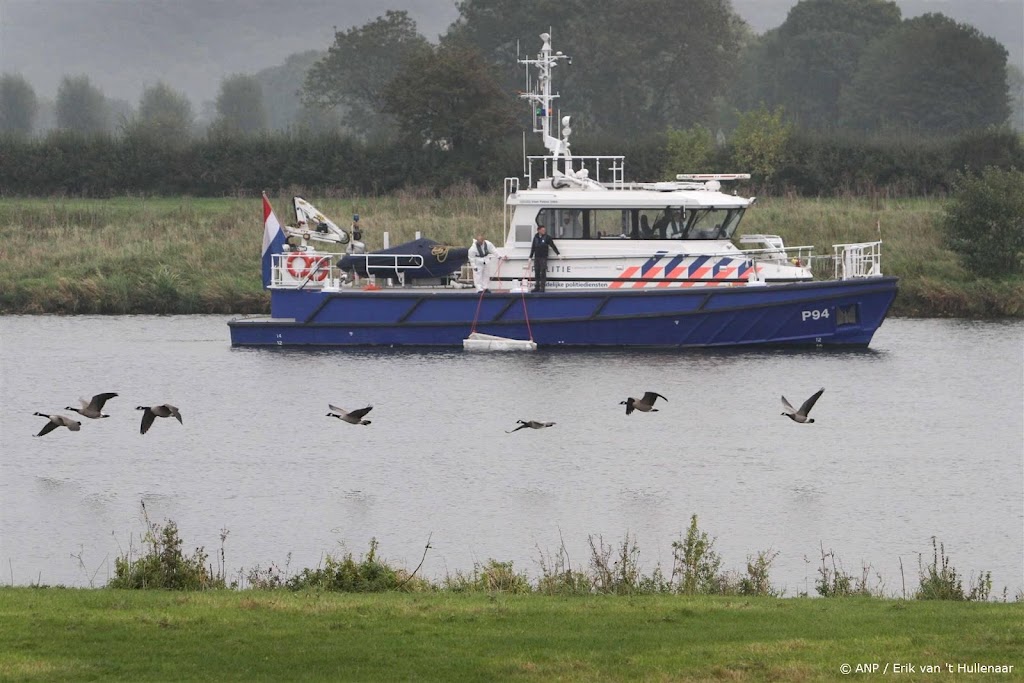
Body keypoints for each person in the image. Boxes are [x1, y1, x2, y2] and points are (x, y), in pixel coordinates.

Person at [527, 224, 561, 292]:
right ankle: (537, 286)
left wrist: (558, 254)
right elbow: (533, 247)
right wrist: (530, 257)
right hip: (537, 257)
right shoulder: (535, 237)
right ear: (538, 230)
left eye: (544, 230)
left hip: (543, 257)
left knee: (543, 272)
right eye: (542, 230)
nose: (544, 231)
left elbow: (553, 246)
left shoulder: (547, 237)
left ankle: (542, 287)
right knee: (536, 272)